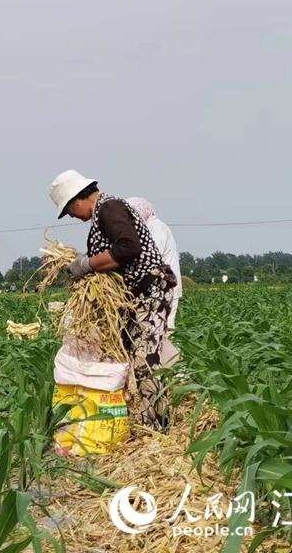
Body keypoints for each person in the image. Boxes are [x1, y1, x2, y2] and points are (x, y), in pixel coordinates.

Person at [49, 170, 175, 433]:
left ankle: (157, 429)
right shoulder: (101, 215)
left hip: (148, 292)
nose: (73, 216)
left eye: (70, 211)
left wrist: (87, 264)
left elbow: (129, 248)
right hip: (135, 299)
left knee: (145, 361)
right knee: (132, 359)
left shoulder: (108, 207)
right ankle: (142, 420)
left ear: (77, 201)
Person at [126, 198, 182, 336]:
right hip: (158, 289)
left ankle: (172, 358)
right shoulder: (149, 227)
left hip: (165, 288)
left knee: (163, 331)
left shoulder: (157, 227)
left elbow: (151, 259)